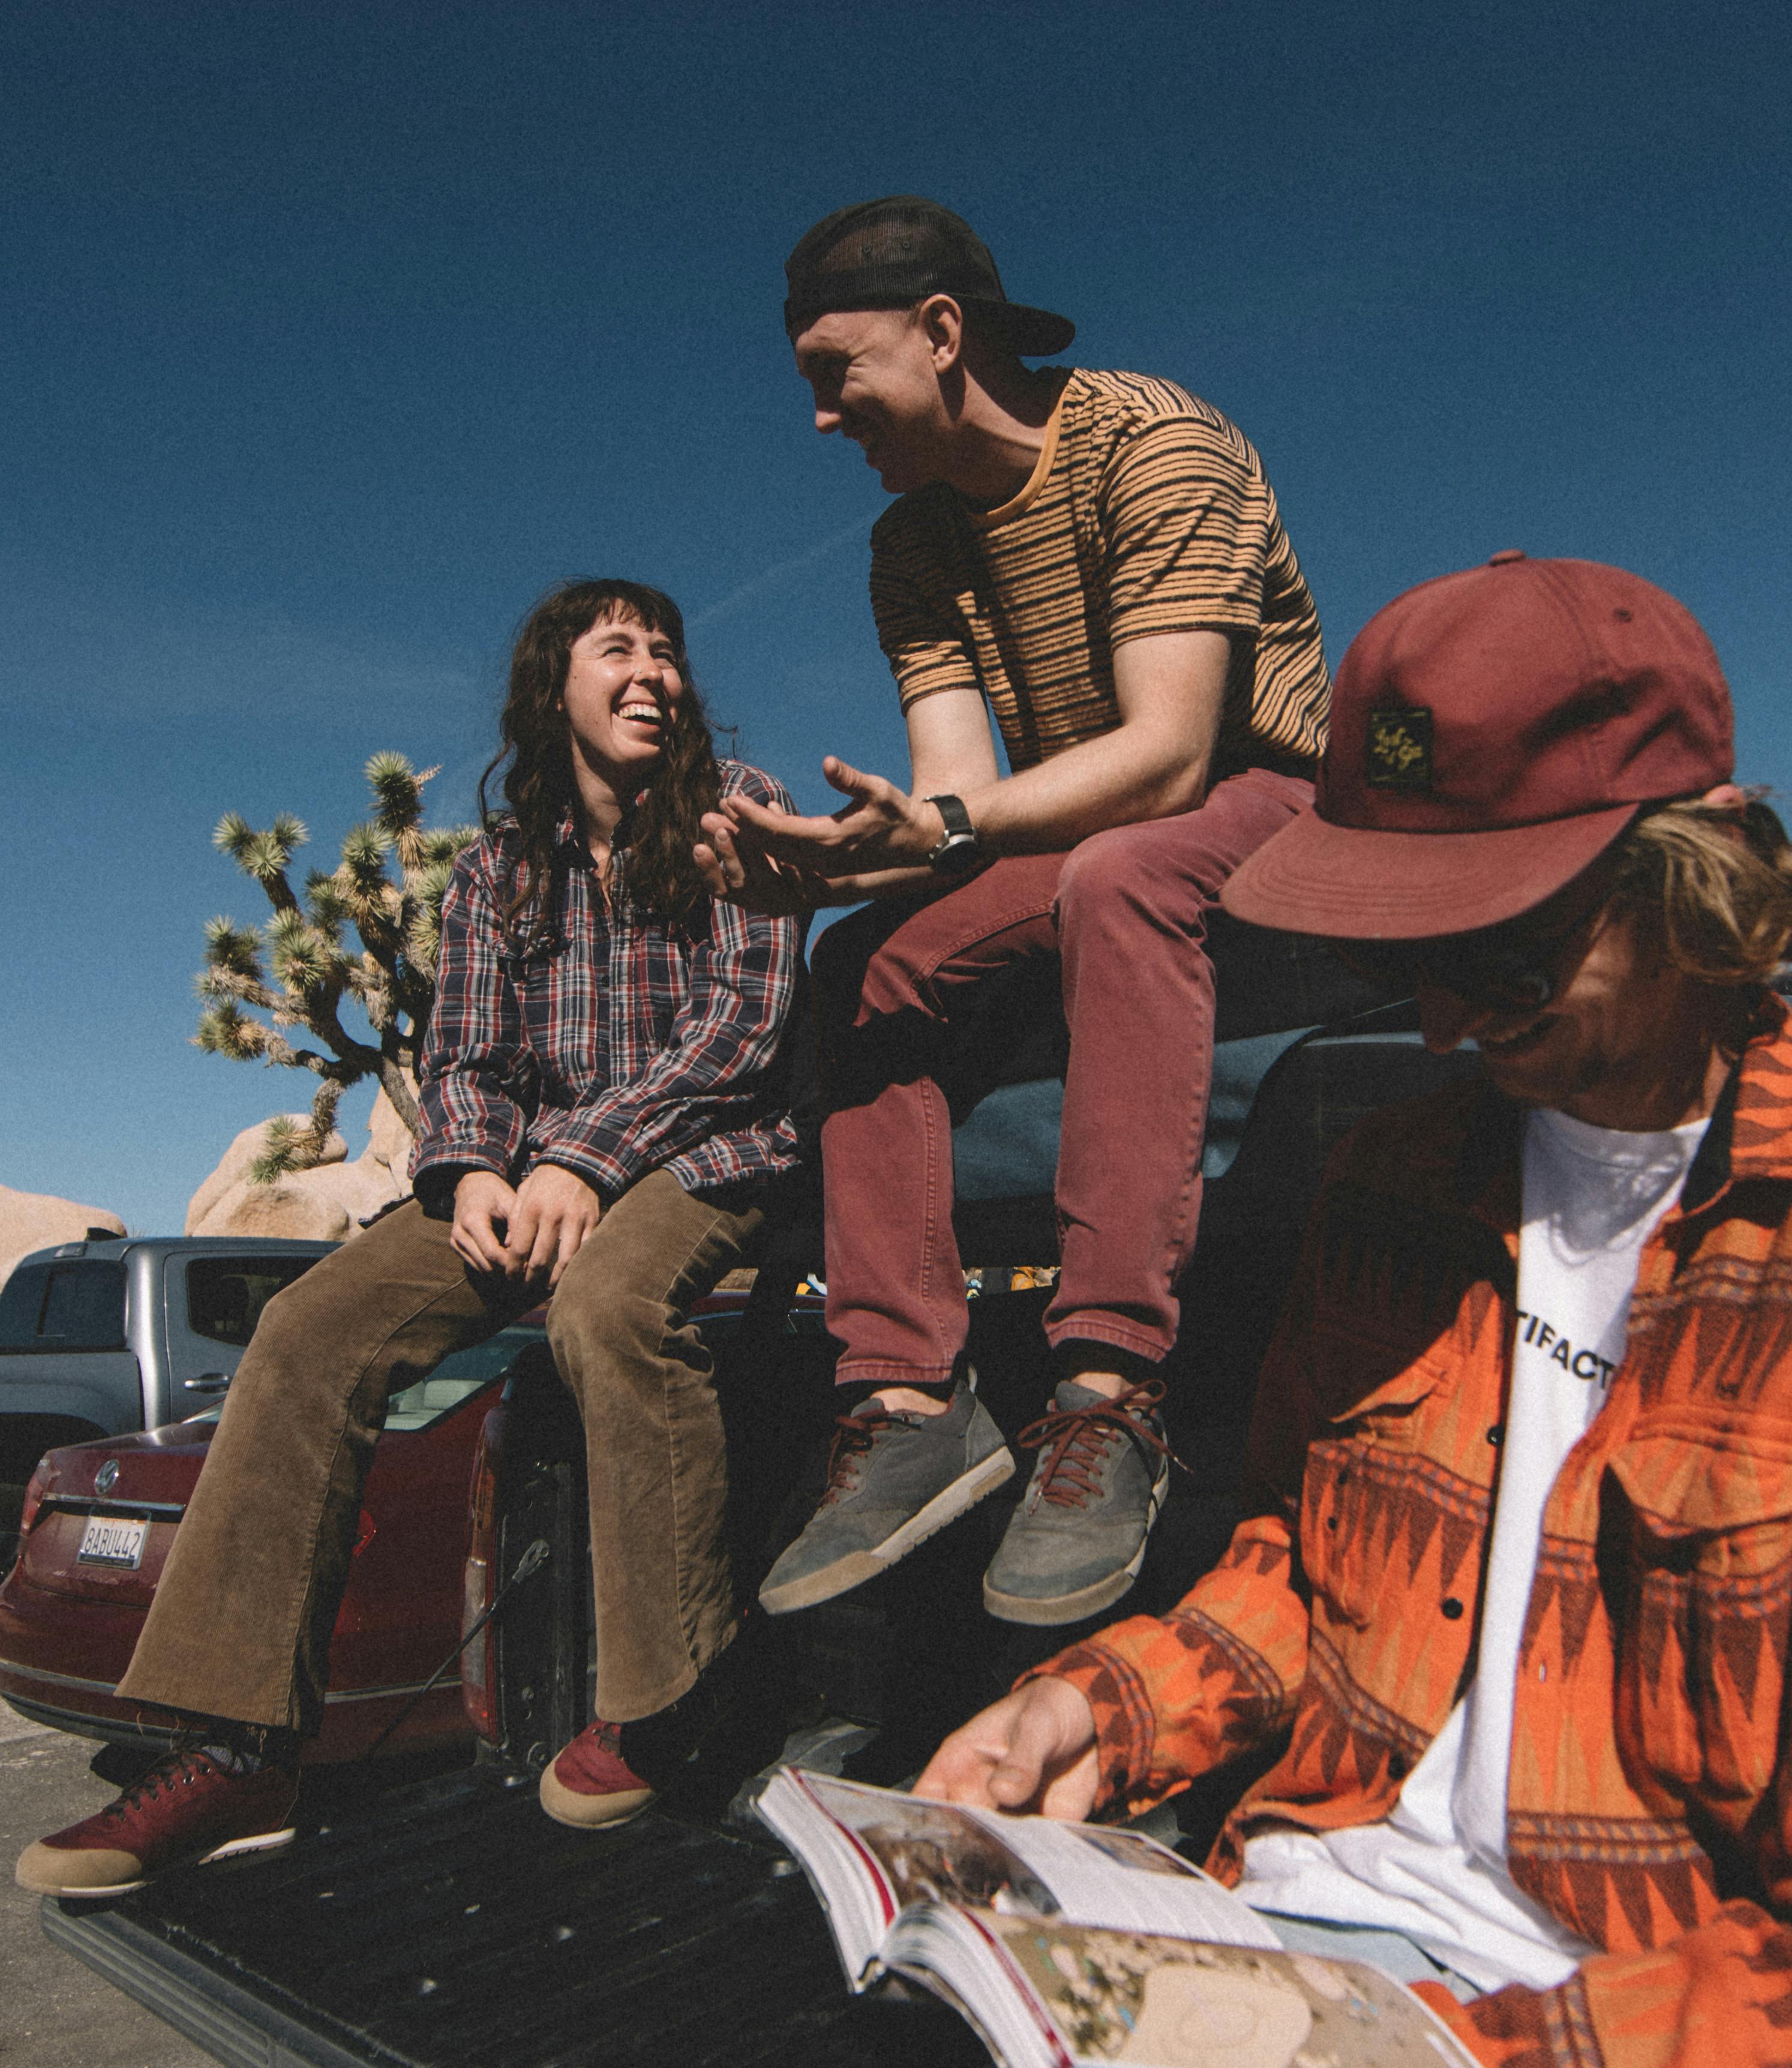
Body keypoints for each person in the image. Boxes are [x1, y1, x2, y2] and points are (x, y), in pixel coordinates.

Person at [915, 551, 1792, 2063]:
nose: (1444, 1017)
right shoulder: (1390, 1173)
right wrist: (1091, 1710)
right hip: (1293, 1920)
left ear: (1702, 870)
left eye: (1505, 944)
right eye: (1409, 948)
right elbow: (1301, 1577)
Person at [18, 578, 806, 1896]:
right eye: (618, 647)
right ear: (553, 686)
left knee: (606, 1308)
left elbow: (741, 1027)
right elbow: (465, 1055)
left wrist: (581, 1155)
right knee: (312, 1327)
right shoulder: (500, 866)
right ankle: (239, 1745)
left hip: (706, 1152)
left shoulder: (741, 807)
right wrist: (472, 1168)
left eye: (667, 648)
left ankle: (671, 1698)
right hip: (527, 1172)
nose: (654, 669)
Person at [697, 196, 1332, 1628]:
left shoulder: (1156, 441)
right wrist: (828, 864)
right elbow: (954, 800)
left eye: (831, 373)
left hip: (1265, 801)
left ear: (940, 334)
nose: (818, 416)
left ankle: (1109, 1385)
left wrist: (951, 831)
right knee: (871, 962)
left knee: (1125, 871)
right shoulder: (910, 547)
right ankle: (908, 1392)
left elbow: (1173, 755)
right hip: (1073, 824)